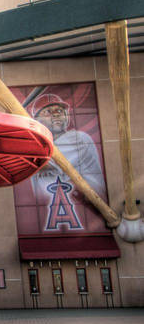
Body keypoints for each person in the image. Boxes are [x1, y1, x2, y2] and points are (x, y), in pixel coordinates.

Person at [27, 93, 105, 231]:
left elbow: (44, 163)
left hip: (87, 207)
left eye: (59, 111)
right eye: (48, 112)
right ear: (37, 120)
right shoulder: (38, 145)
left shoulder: (77, 138)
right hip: (51, 211)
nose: (56, 115)